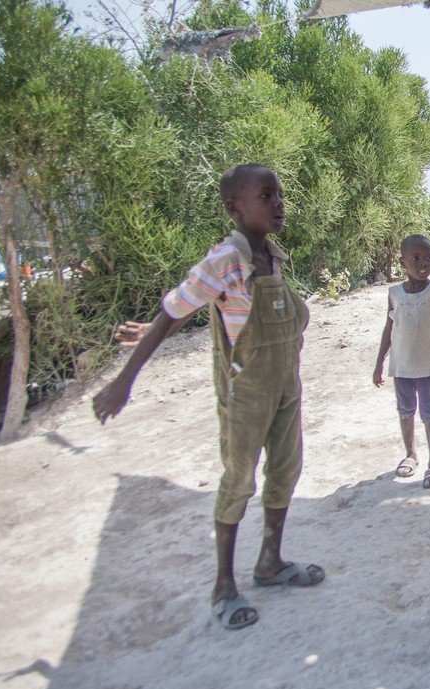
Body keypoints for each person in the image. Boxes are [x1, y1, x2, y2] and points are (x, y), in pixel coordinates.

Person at [92, 164, 325, 631]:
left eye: (280, 195)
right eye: (267, 196)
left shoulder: (274, 259)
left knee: (285, 469)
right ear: (235, 208)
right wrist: (125, 380)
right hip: (246, 394)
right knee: (239, 479)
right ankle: (223, 585)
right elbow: (172, 314)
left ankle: (270, 563)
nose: (279, 204)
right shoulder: (225, 260)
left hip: (285, 387)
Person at [372, 233, 430, 488]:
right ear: (402, 262)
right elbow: (389, 330)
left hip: (429, 366)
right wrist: (379, 362)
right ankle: (410, 454)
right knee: (405, 412)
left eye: (428, 258)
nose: (423, 264)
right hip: (401, 367)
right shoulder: (394, 293)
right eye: (416, 258)